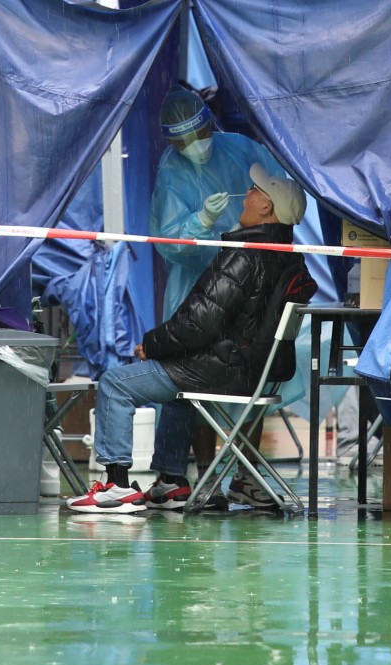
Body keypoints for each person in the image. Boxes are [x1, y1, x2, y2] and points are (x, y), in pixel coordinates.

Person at [67, 163, 312, 513]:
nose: (247, 195)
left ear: (266, 208)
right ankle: (171, 482)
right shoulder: (291, 261)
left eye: (256, 191)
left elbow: (198, 322)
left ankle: (115, 485)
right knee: (177, 389)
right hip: (254, 372)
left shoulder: (243, 256)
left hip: (223, 369)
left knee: (114, 384)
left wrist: (151, 344)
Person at [150, 84, 289, 496]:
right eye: (184, 142)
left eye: (199, 135)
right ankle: (204, 471)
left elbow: (279, 188)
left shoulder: (241, 150)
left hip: (240, 283)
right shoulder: (172, 173)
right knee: (194, 377)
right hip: (203, 286)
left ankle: (225, 473)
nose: (195, 147)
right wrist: (199, 223)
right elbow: (172, 240)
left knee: (217, 371)